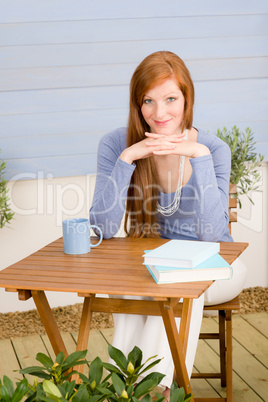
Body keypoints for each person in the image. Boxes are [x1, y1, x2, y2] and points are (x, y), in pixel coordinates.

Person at [89, 51, 247, 396]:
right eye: (148, 101)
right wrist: (128, 158)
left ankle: (153, 389)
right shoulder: (116, 143)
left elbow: (214, 235)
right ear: (137, 104)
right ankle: (128, 388)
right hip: (146, 264)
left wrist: (200, 158)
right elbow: (102, 228)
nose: (160, 113)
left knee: (176, 286)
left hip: (217, 265)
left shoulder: (213, 148)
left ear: (187, 100)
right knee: (136, 283)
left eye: (170, 99)